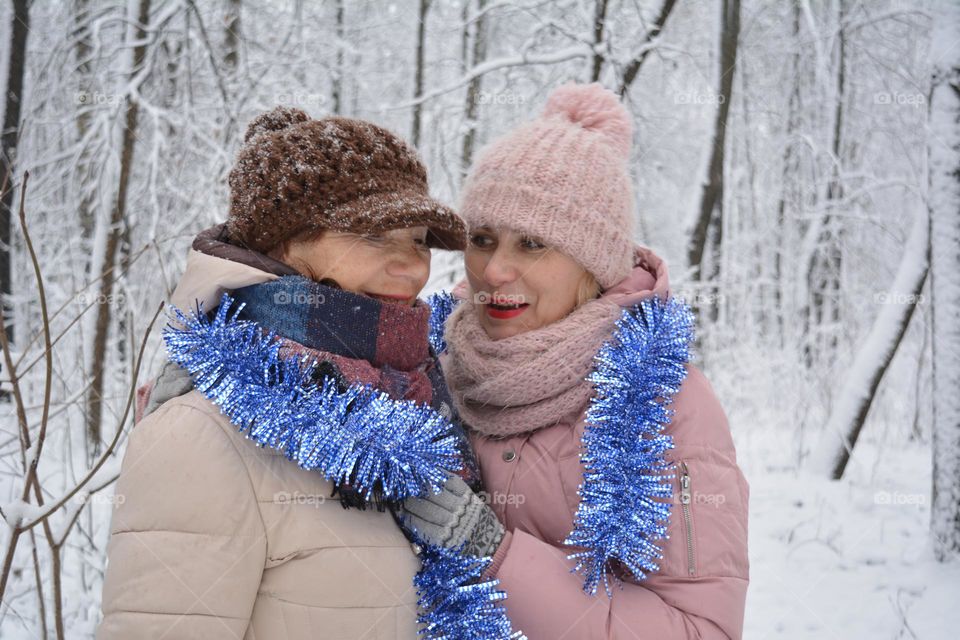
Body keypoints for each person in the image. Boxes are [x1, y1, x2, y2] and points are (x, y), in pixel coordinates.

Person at [96, 106, 500, 639]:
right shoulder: (201, 435)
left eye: (419, 239)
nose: (411, 266)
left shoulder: (424, 401)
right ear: (285, 242)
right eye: (375, 236)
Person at [400, 82, 750, 639]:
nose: (494, 271)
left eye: (533, 244)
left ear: (593, 264)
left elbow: (699, 629)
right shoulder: (428, 368)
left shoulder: (663, 402)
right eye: (483, 239)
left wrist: (497, 558)